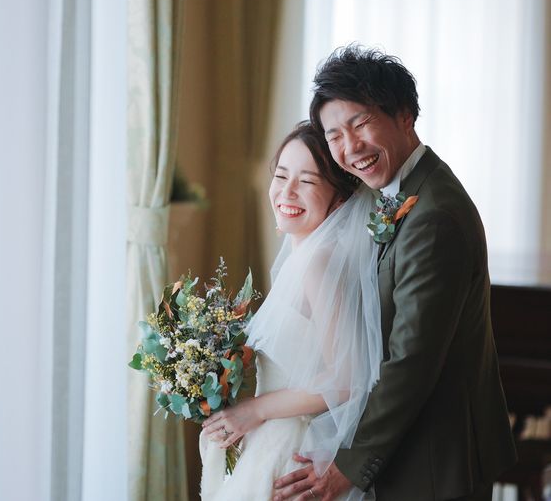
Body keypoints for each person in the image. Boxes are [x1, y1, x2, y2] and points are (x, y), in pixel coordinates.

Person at [273, 45, 517, 501]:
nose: (350, 148)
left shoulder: (434, 215)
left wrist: (349, 468)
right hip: (415, 452)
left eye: (361, 123)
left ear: (405, 115)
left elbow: (412, 361)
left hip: (435, 460)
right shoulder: (404, 191)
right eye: (335, 135)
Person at [199, 122, 382, 501]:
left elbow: (347, 380)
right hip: (270, 438)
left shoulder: (319, 264)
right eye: (281, 176)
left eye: (307, 181)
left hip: (291, 451)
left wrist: (256, 410)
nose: (286, 191)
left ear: (340, 199)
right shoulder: (303, 257)